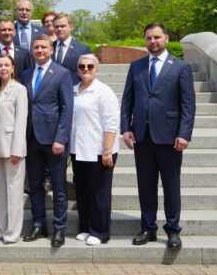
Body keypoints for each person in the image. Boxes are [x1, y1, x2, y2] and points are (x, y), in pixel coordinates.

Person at [121, 23, 195, 249]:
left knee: (171, 186)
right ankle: (148, 227)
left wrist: (184, 134)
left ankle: (173, 230)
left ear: (166, 38)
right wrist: (126, 128)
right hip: (142, 137)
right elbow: (127, 100)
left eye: (157, 37)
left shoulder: (181, 67)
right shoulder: (136, 66)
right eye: (149, 38)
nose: (152, 41)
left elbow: (188, 105)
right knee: (145, 185)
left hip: (170, 137)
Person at [19, 34, 73, 247]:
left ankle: (59, 228)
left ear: (51, 50)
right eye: (36, 48)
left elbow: (67, 108)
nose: (40, 51)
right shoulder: (26, 74)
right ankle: (39, 224)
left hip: (54, 140)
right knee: (34, 185)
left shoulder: (62, 73)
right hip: (31, 138)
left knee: (58, 187)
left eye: (43, 47)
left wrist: (61, 137)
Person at [71, 54, 120, 245]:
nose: (85, 69)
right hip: (78, 149)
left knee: (99, 193)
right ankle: (86, 227)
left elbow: (111, 123)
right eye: (82, 66)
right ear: (77, 69)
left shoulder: (104, 92)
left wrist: (107, 150)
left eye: (90, 66)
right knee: (83, 191)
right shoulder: (74, 90)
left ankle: (100, 232)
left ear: (97, 69)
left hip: (99, 150)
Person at [0, 54, 28, 245]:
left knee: (14, 191)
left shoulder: (19, 89)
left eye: (6, 65)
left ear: (13, 68)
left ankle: (12, 231)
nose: (3, 68)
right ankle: (1, 226)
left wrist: (17, 149)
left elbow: (21, 120)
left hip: (12, 146)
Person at [52, 14, 92, 85]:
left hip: (74, 89)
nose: (59, 29)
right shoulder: (48, 47)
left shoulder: (83, 49)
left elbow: (89, 74)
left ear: (71, 27)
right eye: (56, 27)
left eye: (63, 26)